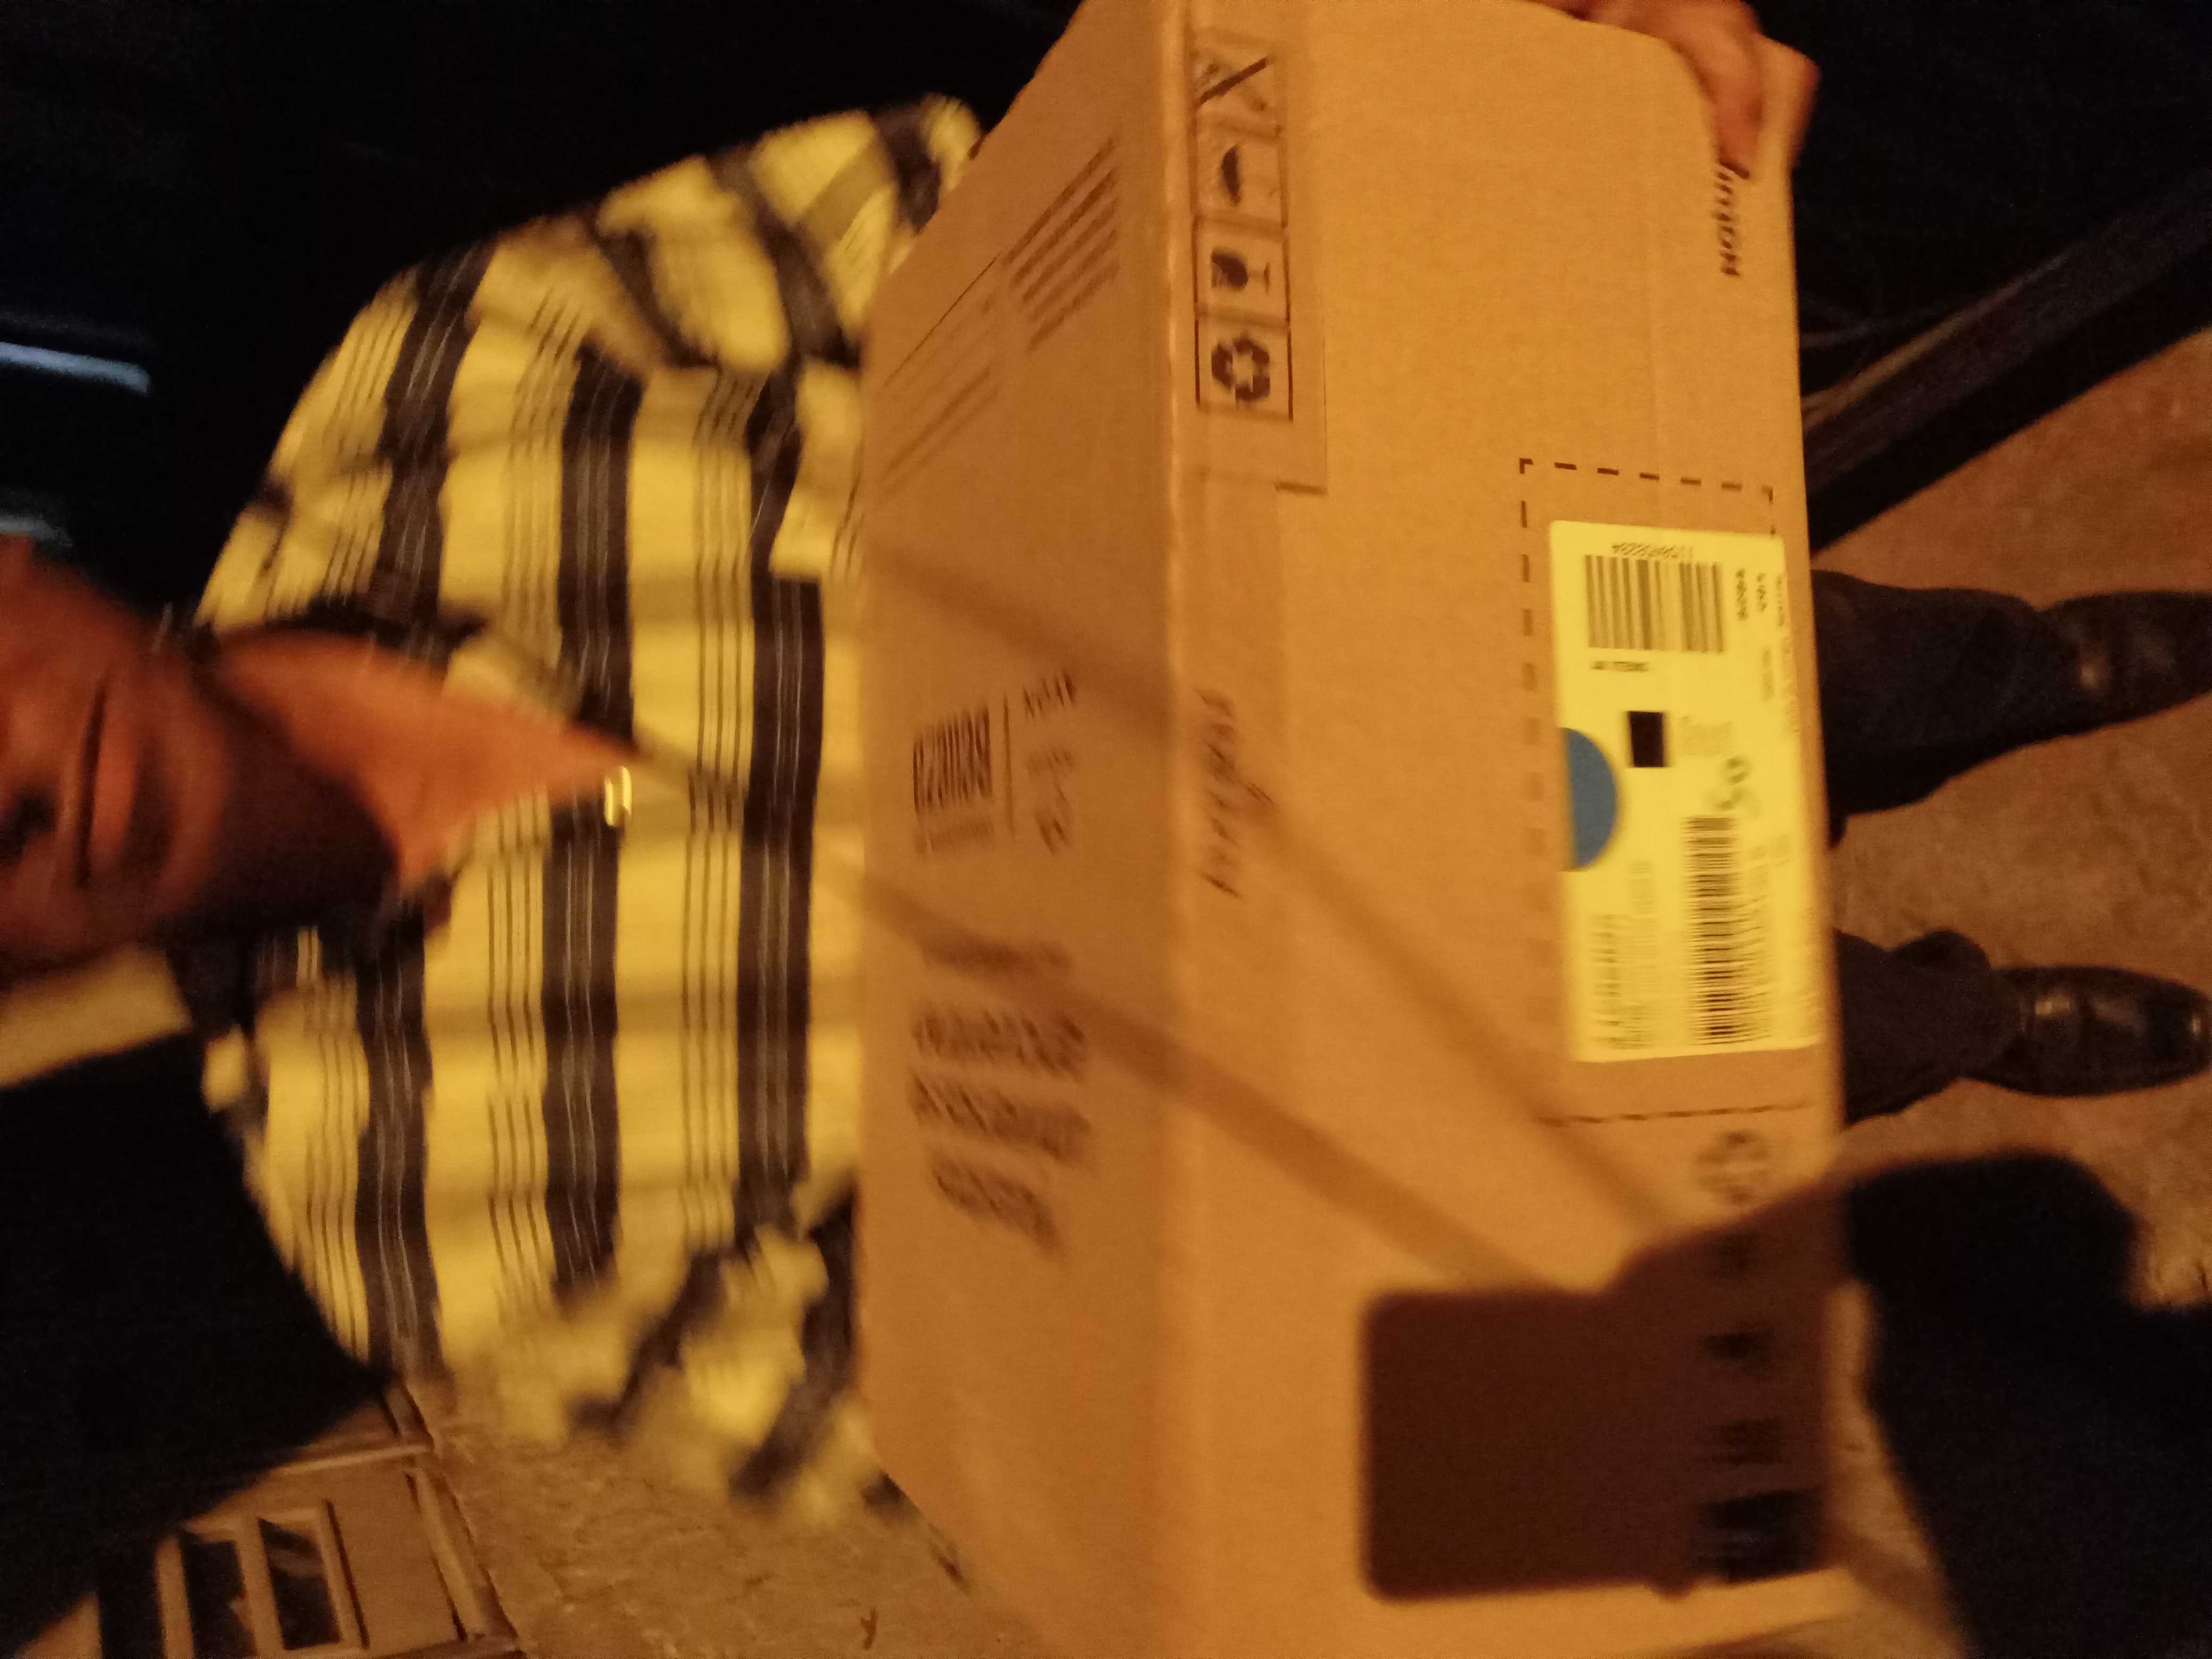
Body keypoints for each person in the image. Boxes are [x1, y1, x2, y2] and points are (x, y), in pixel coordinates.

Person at [0, 0, 2192, 1515]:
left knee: (1848, 667)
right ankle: (1984, 1019)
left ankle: (2044, 666)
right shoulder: (414, 1219)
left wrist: (1480, 101)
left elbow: (1025, 211)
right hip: (1444, 1080)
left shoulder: (454, 383)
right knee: (1804, 1035)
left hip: (1483, 612)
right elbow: (933, 1427)